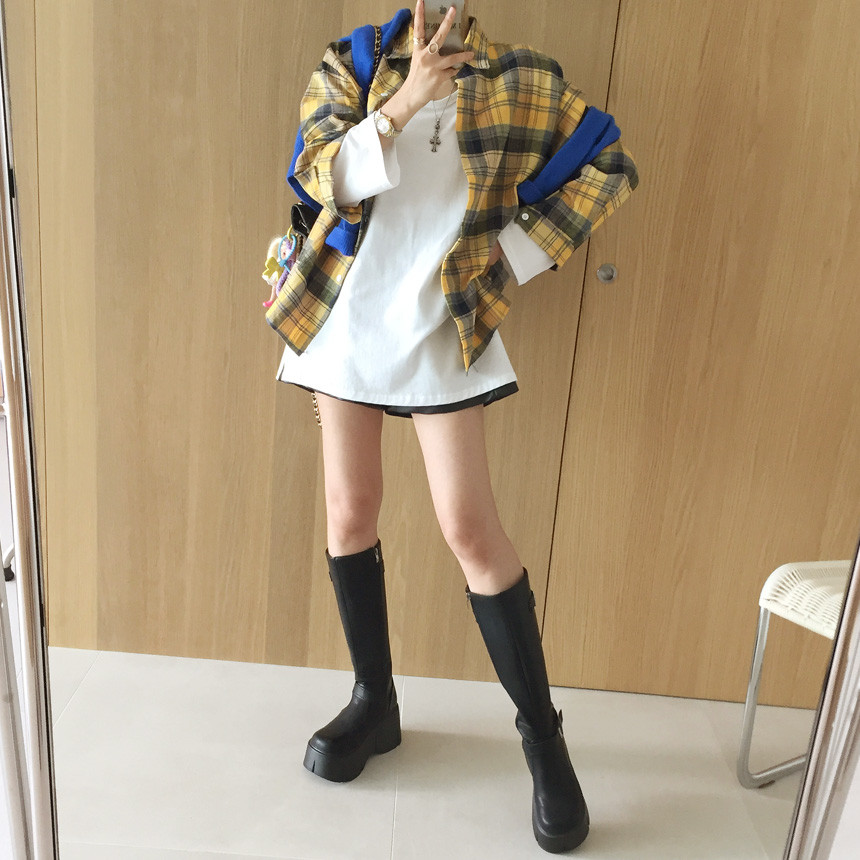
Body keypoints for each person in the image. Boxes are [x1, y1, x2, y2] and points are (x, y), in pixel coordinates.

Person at [267, 1, 639, 852]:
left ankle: (544, 745)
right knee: (349, 511)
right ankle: (375, 704)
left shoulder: (521, 79)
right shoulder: (352, 64)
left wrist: (512, 259)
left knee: (470, 529)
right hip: (345, 317)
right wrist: (404, 104)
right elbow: (318, 176)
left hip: (443, 326)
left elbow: (609, 165)